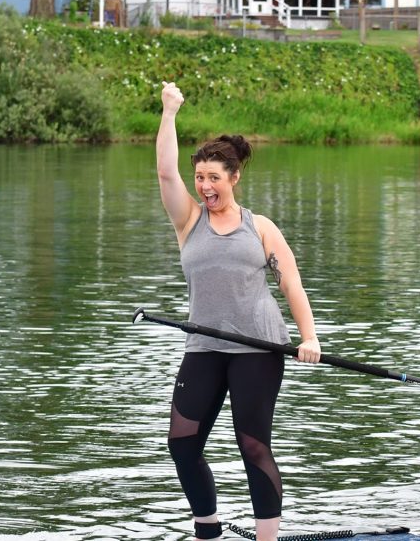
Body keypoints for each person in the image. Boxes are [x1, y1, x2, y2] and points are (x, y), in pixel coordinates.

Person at [156, 80, 321, 541]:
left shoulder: (260, 227)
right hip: (205, 346)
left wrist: (308, 337)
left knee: (252, 444)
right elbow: (167, 175)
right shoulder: (188, 221)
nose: (205, 187)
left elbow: (291, 281)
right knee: (182, 443)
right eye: (200, 177)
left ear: (234, 177)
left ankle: (266, 538)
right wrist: (169, 112)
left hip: (259, 348)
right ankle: (207, 531)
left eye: (214, 178)